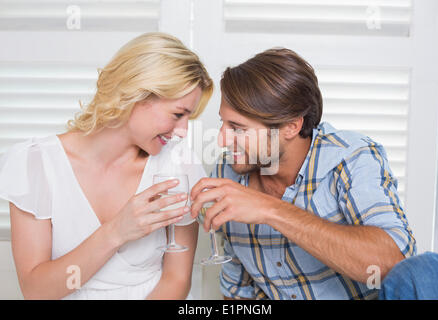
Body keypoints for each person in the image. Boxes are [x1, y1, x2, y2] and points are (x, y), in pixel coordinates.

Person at [190, 48, 416, 300]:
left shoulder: (350, 158)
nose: (221, 139)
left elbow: (392, 264)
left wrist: (270, 210)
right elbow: (238, 290)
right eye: (223, 123)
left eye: (237, 128)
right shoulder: (228, 173)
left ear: (291, 126)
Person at [0, 32, 213, 299]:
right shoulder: (36, 164)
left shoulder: (177, 162)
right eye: (178, 114)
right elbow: (37, 291)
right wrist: (116, 232)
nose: (182, 131)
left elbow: (177, 280)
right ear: (137, 95)